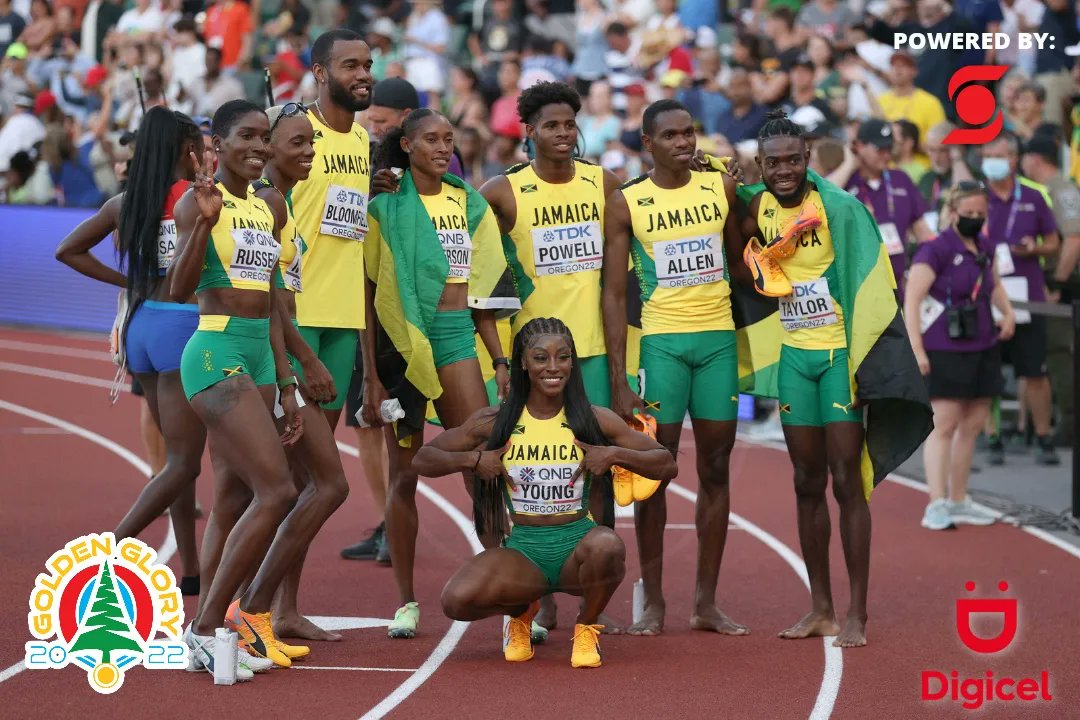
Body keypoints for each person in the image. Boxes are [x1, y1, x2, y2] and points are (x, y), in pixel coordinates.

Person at [734, 110, 932, 647]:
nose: (784, 171)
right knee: (804, 481)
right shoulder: (756, 205)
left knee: (847, 480)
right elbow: (738, 254)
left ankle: (856, 613)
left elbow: (874, 282)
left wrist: (867, 364)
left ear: (808, 158)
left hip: (839, 361)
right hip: (795, 359)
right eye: (772, 163)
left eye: (793, 161)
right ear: (761, 163)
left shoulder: (841, 208)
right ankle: (819, 606)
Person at [414, 317, 677, 668]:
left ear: (572, 361)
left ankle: (585, 627)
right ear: (523, 362)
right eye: (541, 358)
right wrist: (475, 460)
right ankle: (521, 611)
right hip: (524, 552)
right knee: (456, 601)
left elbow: (665, 463)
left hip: (577, 548)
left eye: (563, 357)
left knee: (608, 546)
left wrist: (613, 454)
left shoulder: (593, 419)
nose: (553, 368)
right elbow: (423, 458)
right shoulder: (496, 420)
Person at [362, 108, 516, 639]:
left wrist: (498, 360)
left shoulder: (468, 202)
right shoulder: (383, 207)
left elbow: (484, 293)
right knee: (404, 474)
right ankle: (405, 602)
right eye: (430, 138)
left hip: (454, 339)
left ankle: (511, 592)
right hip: (403, 345)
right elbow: (368, 293)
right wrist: (370, 377)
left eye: (449, 139)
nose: (442, 147)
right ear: (405, 146)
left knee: (484, 467)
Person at [479, 80, 623, 634]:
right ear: (529, 131)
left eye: (570, 124)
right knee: (532, 473)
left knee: (595, 473)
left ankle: (590, 593)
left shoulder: (603, 183)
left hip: (587, 353)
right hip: (534, 360)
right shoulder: (502, 192)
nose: (563, 134)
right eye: (551, 125)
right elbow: (475, 269)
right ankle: (537, 592)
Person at [601, 100, 746, 636]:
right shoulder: (627, 203)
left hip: (716, 343)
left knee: (716, 467)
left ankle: (705, 603)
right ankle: (656, 602)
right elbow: (614, 295)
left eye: (689, 133)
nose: (684, 142)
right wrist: (619, 376)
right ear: (648, 143)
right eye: (671, 136)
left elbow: (741, 260)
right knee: (652, 473)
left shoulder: (720, 189)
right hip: (661, 345)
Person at [170, 99, 304, 678]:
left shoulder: (267, 204)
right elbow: (177, 289)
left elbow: (273, 300)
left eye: (263, 137)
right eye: (245, 136)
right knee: (276, 492)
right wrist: (202, 220)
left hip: (257, 354)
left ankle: (211, 626)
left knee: (233, 498)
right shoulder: (199, 203)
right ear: (217, 145)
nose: (258, 146)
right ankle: (206, 628)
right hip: (215, 350)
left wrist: (287, 383)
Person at [55, 107, 204, 596]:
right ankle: (105, 556)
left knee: (177, 462)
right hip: (183, 324)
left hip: (141, 326)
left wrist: (128, 280)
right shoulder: (193, 198)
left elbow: (68, 251)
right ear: (186, 149)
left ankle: (192, 570)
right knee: (184, 463)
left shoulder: (126, 201)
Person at [287, 31, 394, 571]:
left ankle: (281, 610)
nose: (364, 74)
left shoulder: (359, 143)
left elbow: (349, 239)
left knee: (310, 482)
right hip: (296, 319)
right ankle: (239, 609)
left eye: (368, 65)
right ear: (320, 72)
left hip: (342, 320)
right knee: (285, 479)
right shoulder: (295, 129)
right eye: (351, 65)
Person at [249, 102, 351, 642]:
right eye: (298, 144)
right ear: (268, 149)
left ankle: (274, 609)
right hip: (272, 357)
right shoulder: (268, 203)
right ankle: (252, 608)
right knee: (310, 485)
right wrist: (297, 369)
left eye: (312, 143)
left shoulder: (282, 202)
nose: (311, 152)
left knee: (300, 484)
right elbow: (270, 302)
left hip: (290, 349)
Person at [904, 181, 1016, 530]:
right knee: (945, 423)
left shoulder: (985, 246)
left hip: (983, 343)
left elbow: (994, 285)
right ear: (952, 213)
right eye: (967, 214)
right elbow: (913, 300)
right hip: (944, 346)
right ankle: (936, 502)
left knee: (972, 425)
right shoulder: (934, 249)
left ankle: (959, 498)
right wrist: (917, 348)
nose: (974, 219)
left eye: (980, 214)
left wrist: (1008, 313)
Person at [980, 133, 1060, 465]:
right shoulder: (976, 196)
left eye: (996, 155)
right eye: (985, 155)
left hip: (1026, 294)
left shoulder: (1033, 196)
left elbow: (1053, 242)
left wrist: (1034, 248)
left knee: (1035, 371)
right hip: (988, 293)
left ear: (1013, 159)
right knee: (989, 371)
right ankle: (993, 436)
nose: (990, 161)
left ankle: (1043, 437)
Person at [841, 119, 933, 294]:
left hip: (898, 283)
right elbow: (820, 199)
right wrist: (848, 164)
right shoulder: (846, 182)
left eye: (889, 149)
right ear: (859, 146)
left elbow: (922, 231)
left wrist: (920, 269)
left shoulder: (900, 179)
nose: (886, 155)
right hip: (859, 286)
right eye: (879, 149)